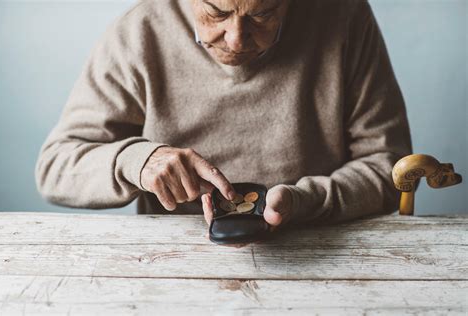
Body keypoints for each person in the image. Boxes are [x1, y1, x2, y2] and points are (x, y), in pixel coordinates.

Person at [35, 0, 412, 231]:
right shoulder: (140, 30)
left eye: (263, 14)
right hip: (174, 262)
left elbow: (391, 167)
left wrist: (306, 202)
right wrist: (137, 160)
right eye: (216, 12)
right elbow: (55, 168)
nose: (236, 38)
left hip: (325, 242)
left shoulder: (343, 17)